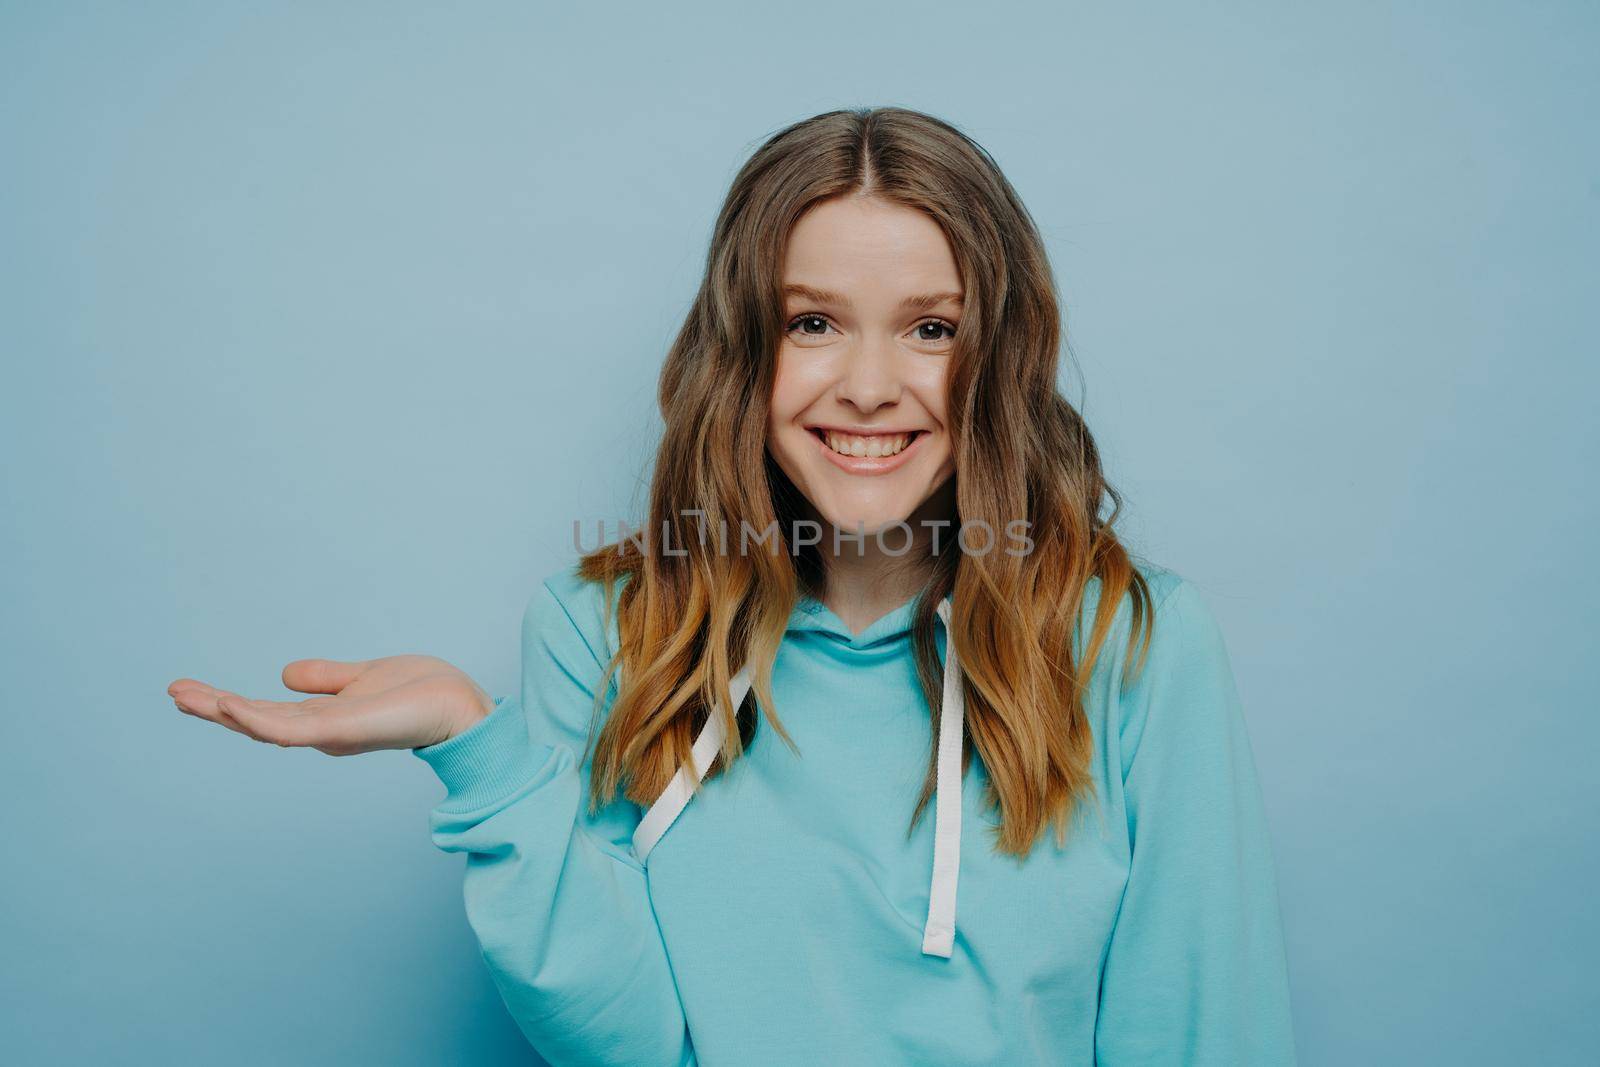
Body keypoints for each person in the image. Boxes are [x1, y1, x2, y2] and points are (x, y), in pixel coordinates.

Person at [169, 106, 1296, 1066]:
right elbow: (629, 1039)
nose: (866, 385)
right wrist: (480, 749)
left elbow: (1205, 1026)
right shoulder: (603, 632)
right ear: (742, 356)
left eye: (930, 329)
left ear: (997, 356)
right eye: (811, 323)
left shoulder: (1131, 643)